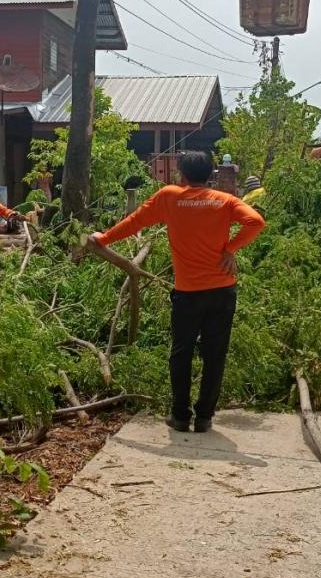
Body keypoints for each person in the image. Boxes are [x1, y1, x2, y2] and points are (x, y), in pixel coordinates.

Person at [89, 151, 265, 433]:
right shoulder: (225, 200)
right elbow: (256, 222)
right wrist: (230, 249)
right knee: (215, 353)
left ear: (181, 174)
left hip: (188, 293)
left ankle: (180, 415)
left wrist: (104, 238)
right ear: (211, 175)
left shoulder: (169, 197)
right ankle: (205, 417)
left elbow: (134, 222)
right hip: (222, 290)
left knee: (181, 352)